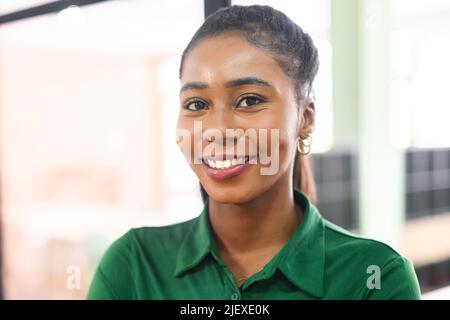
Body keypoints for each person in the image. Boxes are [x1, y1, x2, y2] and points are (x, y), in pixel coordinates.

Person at [87, 5, 421, 300]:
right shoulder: (134, 265)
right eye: (197, 104)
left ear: (305, 119)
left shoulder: (375, 277)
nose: (216, 130)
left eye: (249, 101)